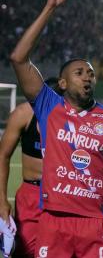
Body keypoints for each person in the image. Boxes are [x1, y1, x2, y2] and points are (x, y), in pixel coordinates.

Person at [9, 0, 103, 258]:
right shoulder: (49, 107)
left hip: (96, 224)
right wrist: (50, 8)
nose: (87, 77)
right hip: (53, 219)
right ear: (62, 83)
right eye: (79, 73)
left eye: (91, 73)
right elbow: (18, 58)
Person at [0, 77, 59, 257]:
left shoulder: (72, 118)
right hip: (32, 194)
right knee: (26, 252)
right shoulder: (24, 113)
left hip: (63, 194)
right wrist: (2, 200)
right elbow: (2, 155)